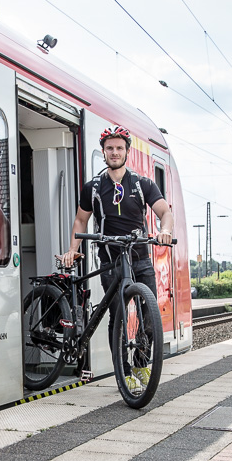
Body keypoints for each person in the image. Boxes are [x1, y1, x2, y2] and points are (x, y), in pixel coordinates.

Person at [62, 125, 174, 383]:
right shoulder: (93, 187)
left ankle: (141, 365)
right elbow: (81, 221)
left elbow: (164, 212)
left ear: (127, 152)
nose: (115, 152)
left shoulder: (143, 184)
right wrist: (72, 250)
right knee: (119, 316)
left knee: (149, 316)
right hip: (110, 260)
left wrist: (164, 230)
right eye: (110, 148)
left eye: (119, 148)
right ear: (103, 152)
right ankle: (123, 374)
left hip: (141, 259)